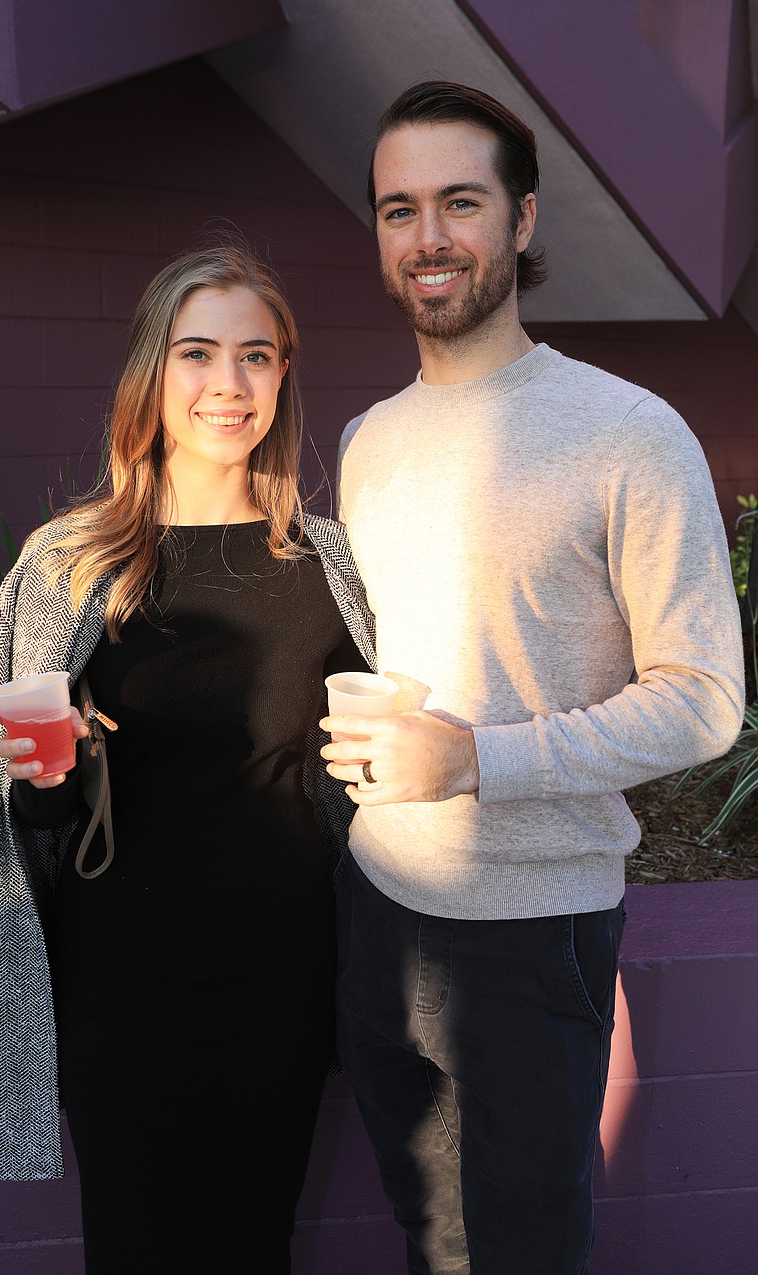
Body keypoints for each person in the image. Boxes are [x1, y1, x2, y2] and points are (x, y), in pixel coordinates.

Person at [320, 81, 746, 1275]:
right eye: (399, 210)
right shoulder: (368, 438)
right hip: (376, 902)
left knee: (522, 1244)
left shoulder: (627, 431)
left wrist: (474, 758)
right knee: (430, 1234)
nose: (429, 237)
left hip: (532, 923)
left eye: (460, 201)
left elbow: (704, 698)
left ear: (521, 220)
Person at [0, 245, 374, 1274]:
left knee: (256, 1242)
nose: (228, 383)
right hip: (119, 982)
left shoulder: (332, 563)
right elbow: (24, 819)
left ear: (282, 376)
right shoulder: (71, 562)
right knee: (133, 1247)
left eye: (257, 355)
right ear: (150, 372)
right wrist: (46, 782)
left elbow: (356, 781)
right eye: (197, 352)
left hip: (283, 977)